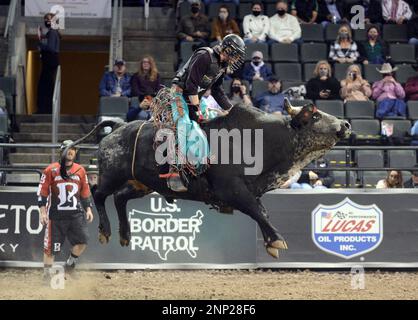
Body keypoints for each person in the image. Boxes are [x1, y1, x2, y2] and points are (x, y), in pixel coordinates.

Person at [164, 34, 246, 191]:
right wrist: (195, 110)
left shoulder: (221, 66)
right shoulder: (205, 56)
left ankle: (201, 165)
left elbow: (217, 91)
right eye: (235, 56)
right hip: (179, 94)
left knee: (210, 122)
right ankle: (175, 170)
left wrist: (232, 110)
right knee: (184, 124)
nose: (236, 60)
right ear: (228, 50)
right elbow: (190, 84)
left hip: (194, 98)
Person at [38, 140, 93, 284]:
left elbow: (85, 191)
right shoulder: (51, 170)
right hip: (56, 217)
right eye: (67, 149)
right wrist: (42, 212)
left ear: (75, 152)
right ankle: (47, 275)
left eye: (73, 149)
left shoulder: (80, 170)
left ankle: (69, 265)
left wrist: (88, 208)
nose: (70, 152)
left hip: (76, 215)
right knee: (51, 248)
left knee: (83, 241)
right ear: (61, 152)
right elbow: (42, 192)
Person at [37, 13, 61, 114]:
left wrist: (40, 42)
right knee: (46, 85)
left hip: (50, 61)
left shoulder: (52, 33)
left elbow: (50, 48)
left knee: (44, 86)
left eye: (48, 19)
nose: (46, 21)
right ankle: (45, 109)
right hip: (50, 61)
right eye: (45, 19)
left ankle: (45, 110)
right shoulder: (52, 33)